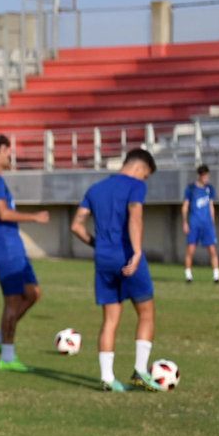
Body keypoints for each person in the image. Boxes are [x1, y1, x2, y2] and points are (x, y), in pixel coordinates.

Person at [72, 148, 160, 393]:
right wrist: (137, 251)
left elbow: (77, 226)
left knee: (110, 320)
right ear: (139, 168)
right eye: (145, 175)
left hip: (103, 259)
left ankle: (107, 378)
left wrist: (96, 244)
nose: (144, 180)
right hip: (127, 258)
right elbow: (135, 215)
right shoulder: (136, 186)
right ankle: (140, 370)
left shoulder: (96, 188)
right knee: (146, 313)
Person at [0, 134, 50, 372]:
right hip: (6, 247)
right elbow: (3, 214)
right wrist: (35, 217)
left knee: (33, 293)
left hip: (7, 246)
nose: (10, 155)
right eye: (7, 150)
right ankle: (7, 356)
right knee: (13, 301)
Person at [182, 164, 219, 283]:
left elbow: (211, 206)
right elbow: (185, 206)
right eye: (204, 175)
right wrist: (185, 222)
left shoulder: (210, 189)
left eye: (207, 175)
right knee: (190, 250)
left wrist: (213, 224)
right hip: (194, 224)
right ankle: (188, 276)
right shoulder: (191, 189)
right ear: (199, 175)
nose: (206, 177)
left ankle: (216, 276)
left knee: (212, 250)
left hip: (207, 224)